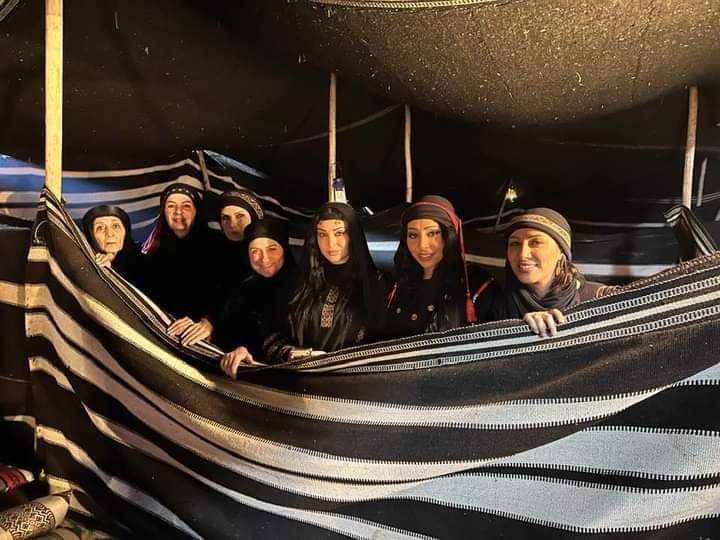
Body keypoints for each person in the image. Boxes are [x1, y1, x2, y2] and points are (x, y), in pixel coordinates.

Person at [385, 195, 500, 337]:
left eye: (432, 233)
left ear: (448, 236)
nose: (422, 246)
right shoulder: (399, 284)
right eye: (413, 235)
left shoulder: (476, 284)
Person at [493, 208, 617, 337]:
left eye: (536, 242)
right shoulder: (496, 307)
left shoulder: (600, 299)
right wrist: (523, 326)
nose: (523, 254)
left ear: (561, 252)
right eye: (515, 243)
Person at [141, 183, 222, 344]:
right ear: (164, 211)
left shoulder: (218, 245)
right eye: (171, 206)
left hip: (207, 335)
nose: (178, 212)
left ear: (196, 211)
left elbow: (233, 295)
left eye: (186, 206)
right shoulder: (154, 249)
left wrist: (210, 321)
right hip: (164, 332)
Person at [219, 218, 299, 376]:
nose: (264, 259)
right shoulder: (242, 292)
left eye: (272, 249)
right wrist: (241, 348)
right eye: (255, 251)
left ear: (285, 249)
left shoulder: (305, 288)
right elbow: (232, 332)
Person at [82, 205, 144, 283]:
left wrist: (111, 270)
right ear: (90, 235)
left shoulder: (144, 264)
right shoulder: (83, 264)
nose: (110, 234)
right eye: (100, 228)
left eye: (115, 226)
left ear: (125, 231)